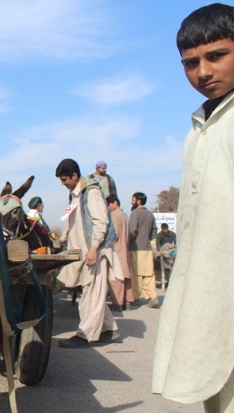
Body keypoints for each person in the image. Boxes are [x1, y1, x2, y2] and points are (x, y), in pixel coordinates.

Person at [153, 4, 234, 411]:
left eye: (216, 56)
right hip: (206, 282)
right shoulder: (199, 128)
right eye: (190, 63)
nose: (202, 72)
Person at [55, 158, 123, 348]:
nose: (63, 184)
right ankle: (109, 329)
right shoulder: (74, 195)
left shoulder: (91, 192)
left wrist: (94, 248)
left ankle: (85, 335)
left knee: (90, 293)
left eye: (64, 179)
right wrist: (61, 239)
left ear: (75, 176)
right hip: (83, 252)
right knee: (93, 292)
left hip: (96, 251)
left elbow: (101, 222)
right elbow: (72, 222)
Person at [128, 192, 158, 308]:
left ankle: (136, 298)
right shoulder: (150, 214)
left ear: (138, 201)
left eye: (133, 199)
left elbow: (132, 231)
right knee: (149, 273)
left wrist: (128, 242)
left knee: (136, 274)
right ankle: (153, 297)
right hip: (147, 248)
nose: (131, 201)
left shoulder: (135, 213)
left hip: (136, 248)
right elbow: (154, 232)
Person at [106, 194, 134, 311]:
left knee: (116, 277)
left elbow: (114, 235)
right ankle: (128, 300)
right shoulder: (126, 216)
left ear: (115, 203)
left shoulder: (114, 216)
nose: (108, 207)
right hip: (126, 249)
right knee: (126, 276)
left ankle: (117, 302)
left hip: (117, 250)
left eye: (109, 205)